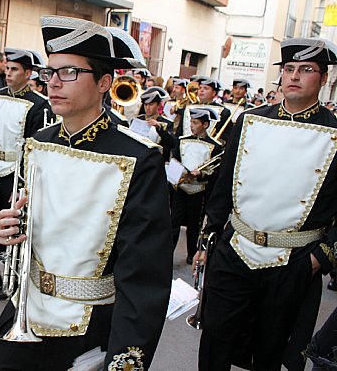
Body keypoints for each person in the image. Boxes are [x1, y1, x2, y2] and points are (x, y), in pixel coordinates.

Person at [0, 16, 172, 371]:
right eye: (50, 73)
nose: (54, 84)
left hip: (90, 323)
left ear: (104, 83)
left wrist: (123, 358)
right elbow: (29, 226)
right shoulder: (37, 144)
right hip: (30, 309)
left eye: (70, 73)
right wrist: (8, 230)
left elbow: (144, 275)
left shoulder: (139, 158)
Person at [196, 38, 337, 371]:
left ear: (324, 78)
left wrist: (322, 256)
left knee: (271, 350)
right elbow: (224, 184)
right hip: (236, 250)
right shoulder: (250, 120)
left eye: (306, 70)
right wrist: (209, 236)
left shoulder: (334, 133)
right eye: (289, 69)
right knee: (215, 341)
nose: (295, 76)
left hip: (294, 260)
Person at [0, 47, 51, 301]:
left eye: (15, 70)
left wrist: (24, 182)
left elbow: (35, 146)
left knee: (13, 230)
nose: (8, 73)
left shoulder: (39, 104)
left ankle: (12, 280)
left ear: (28, 74)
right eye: (7, 68)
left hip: (16, 173)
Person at [170, 107, 222, 263]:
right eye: (191, 122)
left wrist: (201, 174)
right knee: (174, 222)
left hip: (198, 190)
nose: (192, 126)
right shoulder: (182, 140)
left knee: (194, 225)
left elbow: (215, 171)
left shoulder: (215, 146)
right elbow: (175, 160)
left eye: (196, 123)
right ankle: (167, 252)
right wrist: (178, 174)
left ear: (205, 125)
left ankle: (192, 253)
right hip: (181, 188)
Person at [137, 86, 176, 162]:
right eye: (146, 105)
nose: (148, 108)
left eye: (151, 104)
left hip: (158, 161)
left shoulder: (167, 122)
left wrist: (160, 128)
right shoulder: (138, 119)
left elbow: (172, 144)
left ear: (158, 105)